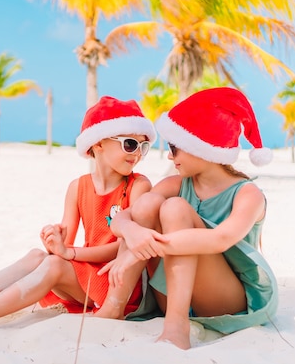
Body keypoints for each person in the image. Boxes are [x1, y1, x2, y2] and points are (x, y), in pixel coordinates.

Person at [0, 96, 156, 335]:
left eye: (143, 147)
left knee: (56, 263)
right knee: (38, 255)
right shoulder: (78, 187)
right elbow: (63, 249)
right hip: (86, 274)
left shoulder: (138, 186)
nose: (137, 153)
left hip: (117, 283)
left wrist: (69, 254)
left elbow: (124, 248)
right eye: (130, 144)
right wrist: (56, 240)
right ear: (98, 143)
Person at [100, 87, 277, 349]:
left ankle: (176, 325)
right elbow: (122, 219)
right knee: (150, 201)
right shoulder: (178, 183)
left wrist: (139, 250)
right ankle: (114, 304)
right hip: (170, 293)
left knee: (175, 209)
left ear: (203, 147)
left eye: (175, 148)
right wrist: (133, 234)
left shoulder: (247, 194)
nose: (170, 156)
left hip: (225, 300)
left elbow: (220, 240)